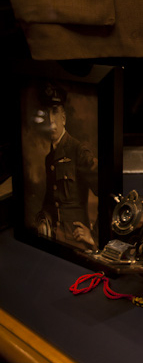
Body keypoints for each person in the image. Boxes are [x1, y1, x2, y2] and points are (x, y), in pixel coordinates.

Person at [35, 82, 99, 251]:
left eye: (55, 112)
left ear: (63, 118)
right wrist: (43, 220)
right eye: (47, 113)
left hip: (76, 243)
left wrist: (94, 235)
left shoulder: (78, 151)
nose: (51, 120)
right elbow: (51, 200)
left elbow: (109, 190)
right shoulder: (50, 158)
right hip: (54, 239)